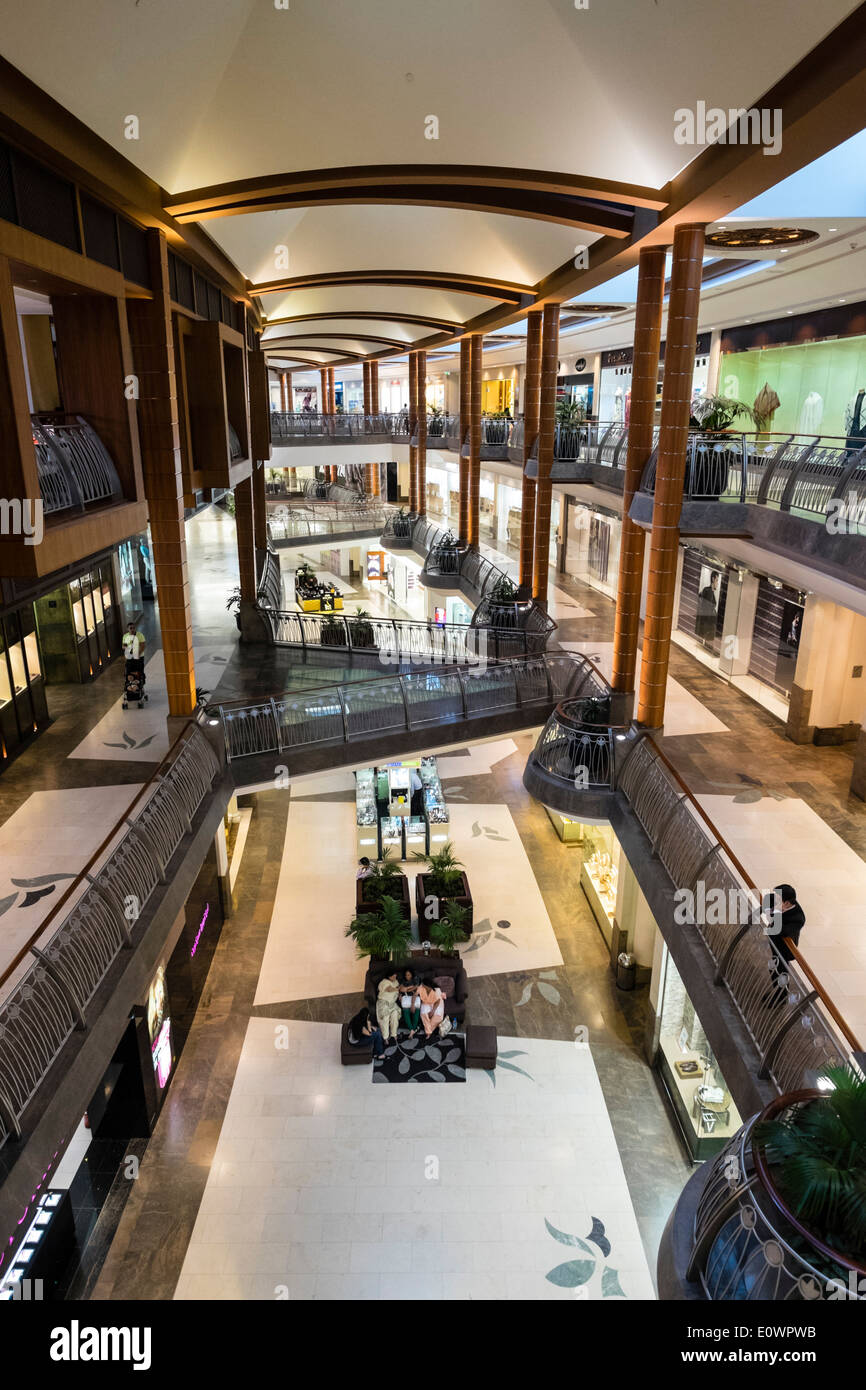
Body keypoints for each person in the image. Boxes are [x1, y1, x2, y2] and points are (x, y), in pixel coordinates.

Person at [376, 969, 401, 1045]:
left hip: (392, 1004)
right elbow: (389, 989)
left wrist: (399, 994)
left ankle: (394, 1034)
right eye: (393, 976)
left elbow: (397, 992)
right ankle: (385, 1037)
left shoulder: (396, 982)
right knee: (385, 1018)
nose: (395, 977)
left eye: (395, 975)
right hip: (384, 1003)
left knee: (395, 1015)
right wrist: (399, 988)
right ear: (389, 976)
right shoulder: (384, 982)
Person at [399, 968, 421, 1035]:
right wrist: (410, 988)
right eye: (406, 975)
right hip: (406, 998)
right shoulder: (403, 981)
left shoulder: (416, 979)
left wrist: (406, 989)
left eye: (408, 975)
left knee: (416, 1009)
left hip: (415, 998)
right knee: (405, 1010)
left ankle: (412, 1030)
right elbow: (401, 989)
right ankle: (413, 1030)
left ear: (412, 975)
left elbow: (416, 987)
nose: (407, 976)